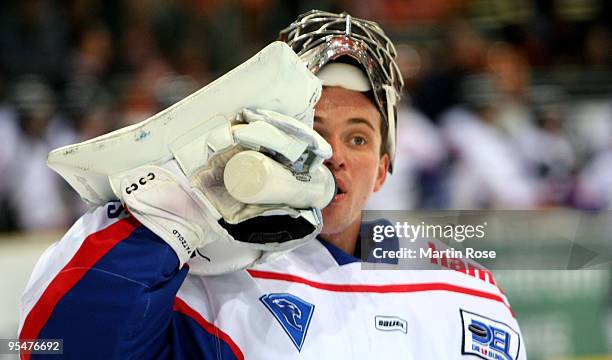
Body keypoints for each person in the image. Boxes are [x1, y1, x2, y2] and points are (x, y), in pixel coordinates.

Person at [19, 10, 525, 360]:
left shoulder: (464, 290)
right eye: (315, 132)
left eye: (358, 137)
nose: (334, 157)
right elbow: (55, 344)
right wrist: (184, 205)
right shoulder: (197, 271)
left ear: (385, 167)